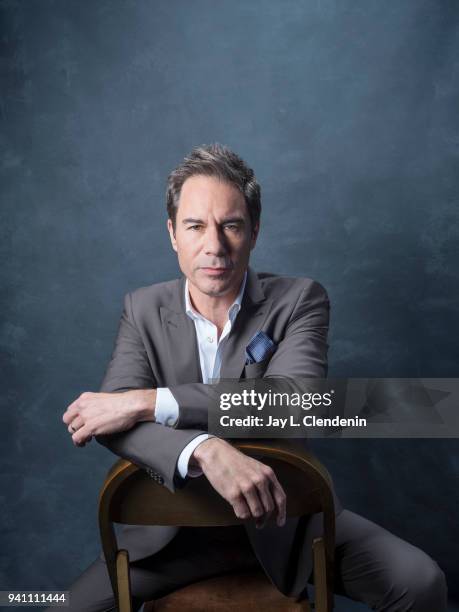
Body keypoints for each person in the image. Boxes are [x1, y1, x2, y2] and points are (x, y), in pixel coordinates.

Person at [57, 144, 447, 611]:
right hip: (172, 541)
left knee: (420, 582)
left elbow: (295, 401)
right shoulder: (141, 308)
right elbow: (108, 419)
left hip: (286, 526)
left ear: (254, 232)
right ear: (172, 234)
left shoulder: (300, 299)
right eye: (196, 226)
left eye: (232, 225)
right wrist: (202, 448)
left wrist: (149, 401)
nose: (214, 246)